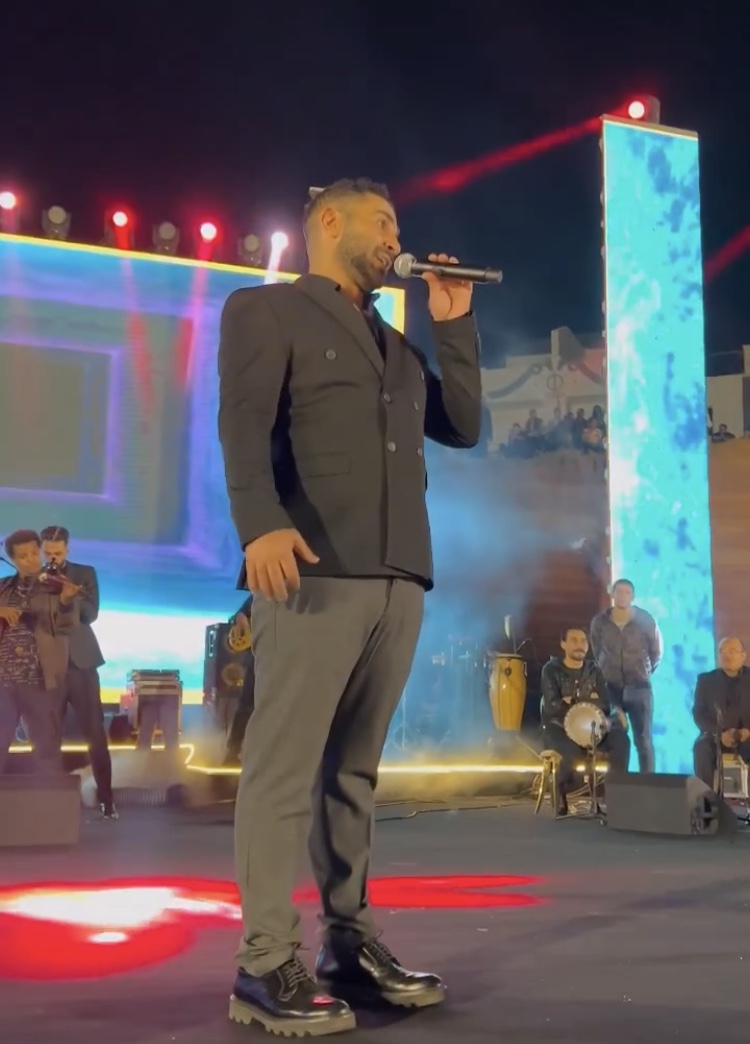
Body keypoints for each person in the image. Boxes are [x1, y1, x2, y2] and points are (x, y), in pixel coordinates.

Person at [218, 177, 481, 1035]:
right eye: (383, 221)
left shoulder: (398, 347)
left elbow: (464, 424)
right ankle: (264, 962)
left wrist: (452, 322)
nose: (395, 236)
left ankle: (348, 945)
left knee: (354, 774)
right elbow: (243, 424)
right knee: (283, 768)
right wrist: (260, 524)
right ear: (330, 222)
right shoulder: (266, 311)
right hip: (313, 567)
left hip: (399, 575)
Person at [41, 525, 116, 819]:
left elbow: (90, 614)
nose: (53, 557)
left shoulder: (84, 574)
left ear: (67, 549)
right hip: (49, 666)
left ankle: (107, 801)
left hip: (81, 664)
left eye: (58, 552)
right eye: (48, 552)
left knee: (95, 734)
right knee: (48, 736)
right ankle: (48, 801)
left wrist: (66, 592)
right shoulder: (35, 578)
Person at [0, 529, 80, 772]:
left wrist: (66, 601)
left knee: (46, 749)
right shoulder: (3, 588)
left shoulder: (56, 586)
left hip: (40, 681)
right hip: (4, 682)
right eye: (23, 556)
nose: (31, 560)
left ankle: (48, 795)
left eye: (34, 553)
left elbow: (68, 625)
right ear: (13, 560)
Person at [540, 626, 630, 815]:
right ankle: (560, 789)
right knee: (570, 754)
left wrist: (572, 701)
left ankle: (614, 797)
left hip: (592, 728)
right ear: (563, 643)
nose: (579, 645)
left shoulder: (594, 670)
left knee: (621, 740)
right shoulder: (551, 670)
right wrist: (587, 700)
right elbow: (553, 705)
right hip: (560, 728)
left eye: (583, 641)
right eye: (574, 640)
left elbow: (604, 703)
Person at [590, 578, 661, 773]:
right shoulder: (600, 622)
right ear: (612, 594)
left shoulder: (645, 620)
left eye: (627, 592)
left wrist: (643, 672)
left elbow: (656, 651)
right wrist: (607, 669)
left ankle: (648, 784)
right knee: (617, 738)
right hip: (611, 688)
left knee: (643, 740)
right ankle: (619, 784)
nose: (622, 595)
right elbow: (597, 650)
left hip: (639, 688)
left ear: (633, 596)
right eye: (619, 591)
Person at [692, 636, 750, 787]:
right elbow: (699, 714)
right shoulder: (706, 680)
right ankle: (706, 796)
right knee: (701, 747)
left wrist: (748, 731)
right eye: (722, 651)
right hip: (716, 737)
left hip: (747, 736)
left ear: (743, 655)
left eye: (732, 651)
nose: (726, 655)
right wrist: (719, 734)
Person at [224, 596, 255, 766]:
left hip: (281, 661)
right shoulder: (260, 595)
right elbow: (240, 615)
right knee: (246, 707)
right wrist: (243, 622)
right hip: (258, 660)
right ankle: (233, 752)